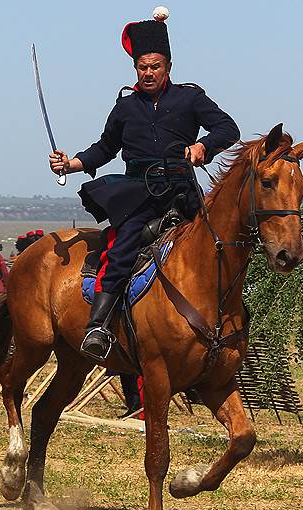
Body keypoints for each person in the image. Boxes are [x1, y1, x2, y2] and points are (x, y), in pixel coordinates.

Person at [49, 16, 239, 360]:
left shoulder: (190, 99)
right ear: (135, 68)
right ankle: (98, 327)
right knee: (122, 249)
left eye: (155, 66)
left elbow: (228, 128)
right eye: (142, 67)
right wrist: (72, 164)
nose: (148, 73)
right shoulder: (125, 107)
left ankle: (229, 326)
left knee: (218, 247)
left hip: (183, 193)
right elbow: (104, 149)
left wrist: (203, 148)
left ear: (168, 66)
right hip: (138, 195)